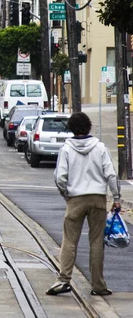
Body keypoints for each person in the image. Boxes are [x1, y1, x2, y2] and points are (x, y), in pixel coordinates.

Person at [46, 112, 121, 297]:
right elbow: (111, 174)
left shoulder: (66, 149)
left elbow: (60, 177)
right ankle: (98, 285)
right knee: (96, 242)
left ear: (71, 128)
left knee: (70, 240)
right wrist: (117, 198)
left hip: (75, 199)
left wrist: (66, 194)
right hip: (97, 199)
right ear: (89, 126)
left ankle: (64, 280)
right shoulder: (100, 148)